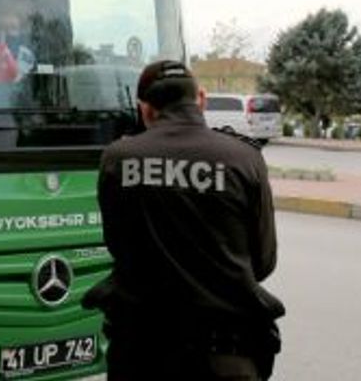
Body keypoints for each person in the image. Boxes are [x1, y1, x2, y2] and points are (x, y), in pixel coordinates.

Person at [82, 60, 283, 380]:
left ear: (145, 110)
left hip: (141, 353)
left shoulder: (117, 159)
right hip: (225, 357)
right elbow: (263, 262)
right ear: (200, 99)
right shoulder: (244, 158)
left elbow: (118, 246)